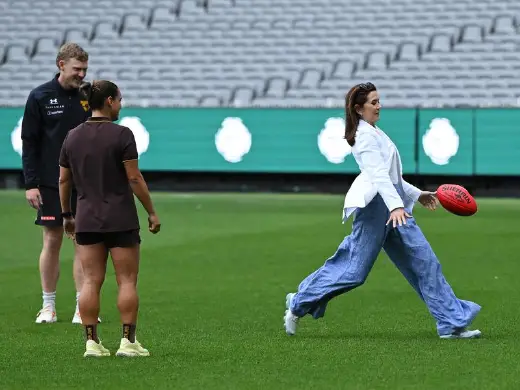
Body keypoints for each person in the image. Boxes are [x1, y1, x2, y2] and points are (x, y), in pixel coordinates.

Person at [283, 82, 482, 339]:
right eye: (373, 102)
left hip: (394, 207)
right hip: (378, 209)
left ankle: (451, 324)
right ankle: (298, 302)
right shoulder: (364, 137)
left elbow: (392, 177)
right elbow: (377, 176)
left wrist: (416, 194)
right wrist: (397, 205)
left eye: (379, 101)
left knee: (425, 262)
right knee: (353, 272)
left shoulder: (374, 132)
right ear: (358, 108)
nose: (379, 106)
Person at [58, 79, 161, 357]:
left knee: (90, 281)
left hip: (86, 218)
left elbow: (64, 180)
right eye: (119, 99)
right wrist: (151, 210)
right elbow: (134, 178)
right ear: (109, 102)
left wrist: (67, 214)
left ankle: (92, 343)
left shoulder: (72, 136)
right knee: (127, 280)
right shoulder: (122, 134)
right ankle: (128, 343)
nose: (120, 104)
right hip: (120, 217)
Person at [21, 42, 101, 324]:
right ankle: (48, 306)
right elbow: (29, 143)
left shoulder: (90, 96)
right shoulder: (40, 96)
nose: (82, 74)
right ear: (61, 65)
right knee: (52, 240)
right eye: (77, 69)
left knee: (82, 242)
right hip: (50, 182)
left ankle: (82, 307)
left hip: (86, 183)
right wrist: (31, 183)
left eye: (85, 69)